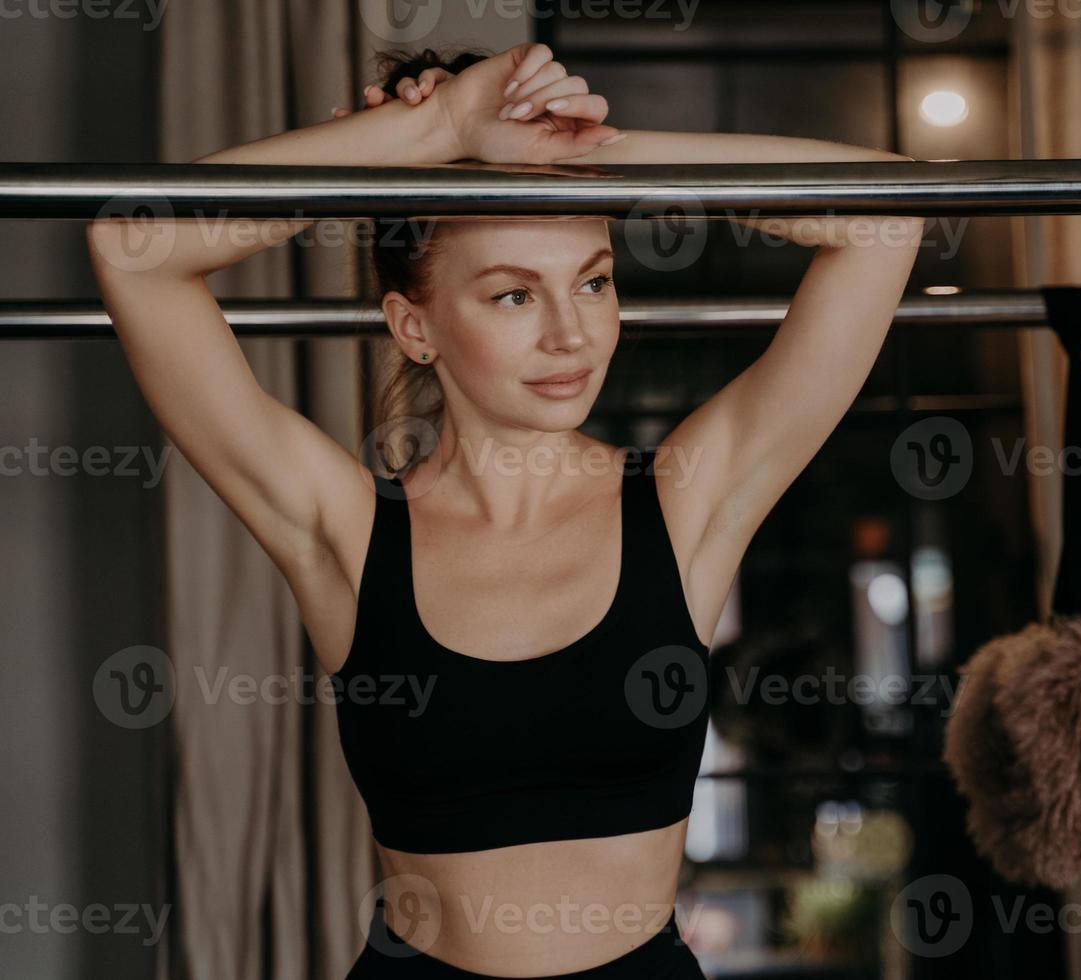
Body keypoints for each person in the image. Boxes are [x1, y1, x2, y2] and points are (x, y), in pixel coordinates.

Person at [87, 41, 924, 980]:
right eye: (514, 293)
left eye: (594, 281)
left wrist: (581, 149)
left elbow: (885, 214)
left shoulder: (685, 503)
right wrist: (430, 132)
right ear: (415, 327)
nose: (570, 333)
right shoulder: (349, 535)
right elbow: (135, 246)